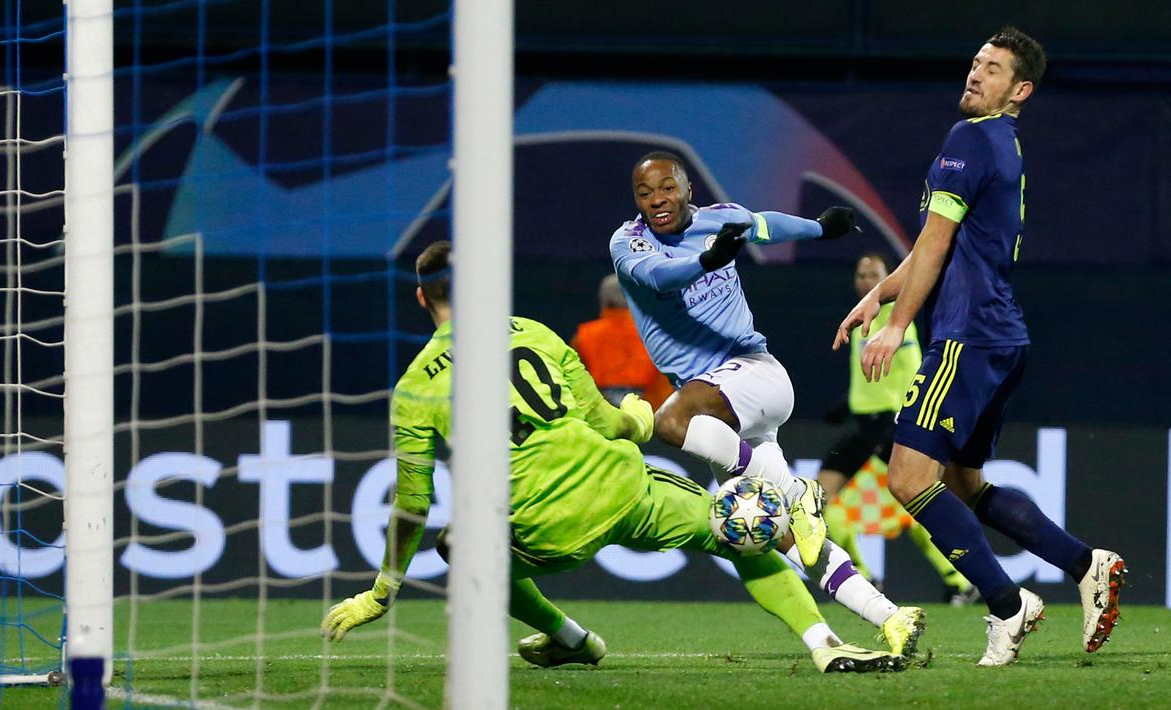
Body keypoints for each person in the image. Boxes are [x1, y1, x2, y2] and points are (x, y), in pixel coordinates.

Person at [321, 241, 907, 674]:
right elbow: (605, 423)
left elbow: (412, 503)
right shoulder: (536, 333)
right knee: (738, 530)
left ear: (422, 297)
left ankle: (570, 637)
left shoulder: (416, 386)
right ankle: (825, 644)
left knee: (459, 546)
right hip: (625, 487)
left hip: (542, 527)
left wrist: (382, 592)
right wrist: (639, 418)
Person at [834, 27, 1125, 666]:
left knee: (908, 479)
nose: (975, 74)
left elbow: (935, 248)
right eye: (975, 63)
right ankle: (1085, 564)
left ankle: (1005, 605)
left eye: (992, 69)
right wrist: (876, 298)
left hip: (965, 334)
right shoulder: (1001, 142)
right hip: (999, 335)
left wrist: (894, 326)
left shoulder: (969, 138)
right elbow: (933, 244)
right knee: (963, 484)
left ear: (1018, 90)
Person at [610, 151, 925, 653]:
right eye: (645, 193)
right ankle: (891, 617)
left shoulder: (720, 220)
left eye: (667, 187)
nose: (657, 201)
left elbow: (763, 225)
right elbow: (657, 278)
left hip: (752, 375)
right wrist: (707, 261)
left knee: (670, 421)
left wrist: (820, 228)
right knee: (782, 537)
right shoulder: (628, 242)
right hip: (723, 411)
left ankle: (800, 494)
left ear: (688, 189)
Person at [819, 252, 978, 605]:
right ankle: (863, 577)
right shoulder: (863, 319)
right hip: (863, 426)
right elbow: (874, 375)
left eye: (873, 274)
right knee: (819, 499)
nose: (865, 280)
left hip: (890, 424)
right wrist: (847, 402)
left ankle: (961, 579)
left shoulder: (897, 315)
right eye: (861, 274)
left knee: (915, 499)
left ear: (889, 277)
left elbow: (911, 367)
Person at [571, 274, 673, 409]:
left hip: (599, 408)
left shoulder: (584, 334)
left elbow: (575, 379)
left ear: (603, 298)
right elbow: (665, 381)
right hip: (645, 408)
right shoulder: (654, 334)